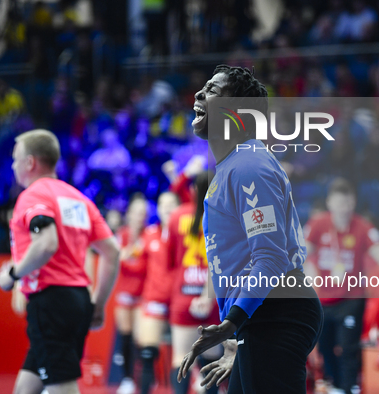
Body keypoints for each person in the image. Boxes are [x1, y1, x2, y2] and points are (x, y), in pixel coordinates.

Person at [177, 65, 323, 393]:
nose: (199, 94)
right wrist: (236, 339)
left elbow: (270, 258)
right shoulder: (234, 166)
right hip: (260, 318)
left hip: (276, 313)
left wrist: (232, 323)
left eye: (213, 91)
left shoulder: (249, 167)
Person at [0, 129, 120, 394]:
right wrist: (98, 304)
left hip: (50, 304)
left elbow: (46, 243)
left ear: (30, 163)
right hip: (78, 302)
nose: (13, 166)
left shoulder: (32, 196)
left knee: (62, 386)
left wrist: (13, 275)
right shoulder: (77, 198)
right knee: (26, 388)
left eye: (16, 159)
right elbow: (112, 251)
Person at [304, 177, 379, 394]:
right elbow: (299, 253)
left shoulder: (362, 227)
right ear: (330, 203)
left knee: (348, 348)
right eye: (339, 203)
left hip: (351, 299)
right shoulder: (317, 224)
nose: (343, 208)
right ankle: (334, 386)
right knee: (325, 347)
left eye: (347, 203)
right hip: (322, 300)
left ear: (353, 203)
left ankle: (349, 388)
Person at [169, 171, 222, 394]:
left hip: (183, 294)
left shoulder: (176, 215)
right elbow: (220, 262)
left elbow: (171, 259)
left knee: (180, 358)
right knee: (211, 360)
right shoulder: (223, 216)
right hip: (212, 297)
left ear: (193, 190)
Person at [137, 191, 180, 394]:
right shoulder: (149, 234)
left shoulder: (186, 233)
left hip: (180, 300)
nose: (166, 208)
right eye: (162, 204)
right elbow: (138, 267)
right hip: (154, 299)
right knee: (147, 353)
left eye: (171, 204)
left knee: (184, 356)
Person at [111, 195, 149, 394]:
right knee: (125, 335)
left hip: (143, 293)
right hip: (125, 292)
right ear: (129, 214)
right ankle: (127, 379)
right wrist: (128, 254)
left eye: (143, 213)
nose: (139, 216)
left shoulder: (150, 234)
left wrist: (129, 256)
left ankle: (142, 378)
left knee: (141, 338)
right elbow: (117, 259)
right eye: (136, 212)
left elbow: (147, 264)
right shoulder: (122, 234)